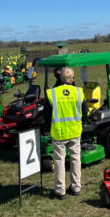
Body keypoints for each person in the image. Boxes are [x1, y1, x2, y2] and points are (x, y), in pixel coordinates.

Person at [44, 67, 86, 199]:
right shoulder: (79, 92)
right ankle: (76, 187)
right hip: (75, 131)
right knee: (75, 159)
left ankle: (60, 191)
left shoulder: (52, 93)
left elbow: (46, 115)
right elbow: (85, 112)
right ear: (72, 79)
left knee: (59, 161)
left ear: (60, 78)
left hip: (59, 133)